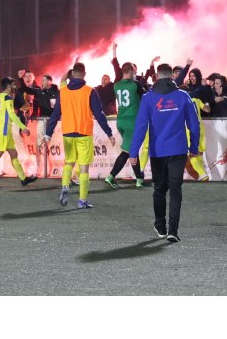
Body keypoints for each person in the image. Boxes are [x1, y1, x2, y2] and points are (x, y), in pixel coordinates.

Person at [129, 63, 200, 243]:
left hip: (158, 152)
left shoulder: (148, 98)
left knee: (159, 189)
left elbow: (140, 127)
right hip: (178, 150)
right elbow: (194, 125)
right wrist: (194, 148)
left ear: (157, 76)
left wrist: (133, 152)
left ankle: (160, 226)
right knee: (175, 189)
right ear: (172, 76)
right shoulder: (183, 96)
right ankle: (173, 231)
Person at [44, 62, 115, 208]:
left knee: (69, 162)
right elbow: (99, 114)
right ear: (84, 74)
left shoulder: (63, 91)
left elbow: (55, 114)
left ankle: (65, 186)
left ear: (72, 74)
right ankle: (82, 200)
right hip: (84, 134)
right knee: (84, 167)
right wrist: (109, 132)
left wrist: (48, 133)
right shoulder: (90, 91)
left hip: (68, 134)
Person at [0, 77, 37, 188]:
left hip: (4, 131)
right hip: (4, 131)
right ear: (8, 86)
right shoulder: (7, 98)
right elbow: (12, 114)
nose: (14, 87)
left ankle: (23, 179)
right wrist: (23, 127)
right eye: (13, 85)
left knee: (14, 154)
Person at [104, 62, 148, 188]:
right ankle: (111, 176)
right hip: (131, 122)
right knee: (127, 151)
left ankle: (139, 179)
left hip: (121, 121)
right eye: (134, 71)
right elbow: (146, 96)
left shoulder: (116, 85)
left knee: (131, 149)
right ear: (130, 71)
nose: (135, 73)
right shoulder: (135, 85)